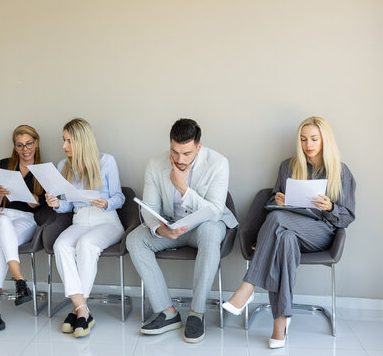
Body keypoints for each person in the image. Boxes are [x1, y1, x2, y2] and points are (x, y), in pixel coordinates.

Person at [222, 116, 355, 349]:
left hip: (321, 233)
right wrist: (279, 199)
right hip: (288, 230)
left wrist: (330, 207)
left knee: (276, 219)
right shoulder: (288, 166)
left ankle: (248, 286)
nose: (308, 144)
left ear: (325, 140)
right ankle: (279, 326)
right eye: (303, 139)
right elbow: (272, 199)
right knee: (283, 240)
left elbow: (348, 216)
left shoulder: (340, 172)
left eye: (314, 139)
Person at [126, 118, 237, 343]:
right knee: (135, 240)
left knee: (210, 231)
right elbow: (150, 208)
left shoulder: (218, 163)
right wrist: (160, 229)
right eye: (175, 152)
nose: (179, 159)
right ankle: (167, 312)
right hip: (172, 226)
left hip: (204, 227)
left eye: (186, 153)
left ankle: (197, 313)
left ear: (199, 147)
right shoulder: (155, 163)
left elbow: (215, 212)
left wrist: (183, 189)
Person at [45, 118, 125, 338]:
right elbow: (68, 205)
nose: (64, 146)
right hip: (79, 220)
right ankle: (83, 310)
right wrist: (56, 204)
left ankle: (77, 309)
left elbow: (120, 197)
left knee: (86, 245)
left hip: (106, 220)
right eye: (64, 140)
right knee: (61, 245)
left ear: (82, 141)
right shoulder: (63, 166)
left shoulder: (107, 161)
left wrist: (106, 202)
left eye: (69, 141)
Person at [0, 125, 45, 331]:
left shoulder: (43, 170)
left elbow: (39, 204)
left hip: (24, 220)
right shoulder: (4, 165)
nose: (25, 149)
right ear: (14, 147)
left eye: (29, 144)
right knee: (2, 223)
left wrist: (25, 193)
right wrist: (0, 193)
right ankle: (19, 280)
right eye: (20, 145)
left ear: (36, 143)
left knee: (2, 243)